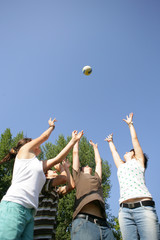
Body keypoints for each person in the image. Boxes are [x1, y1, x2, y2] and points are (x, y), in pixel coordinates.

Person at [0, 118, 83, 240]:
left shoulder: (38, 164)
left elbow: (58, 158)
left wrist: (73, 141)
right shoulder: (23, 153)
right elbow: (44, 137)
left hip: (30, 212)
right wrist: (51, 127)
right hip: (15, 205)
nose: (37, 143)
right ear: (28, 145)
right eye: (33, 142)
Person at [105, 113, 159, 240]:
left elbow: (135, 141)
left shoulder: (139, 162)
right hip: (124, 212)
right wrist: (110, 142)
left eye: (129, 151)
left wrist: (130, 125)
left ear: (134, 154)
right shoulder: (121, 166)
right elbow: (114, 153)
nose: (126, 152)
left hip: (144, 208)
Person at [71, 137, 115, 240]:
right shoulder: (78, 176)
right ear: (81, 170)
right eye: (85, 166)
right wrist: (76, 141)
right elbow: (75, 153)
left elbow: (98, 162)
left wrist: (95, 148)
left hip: (104, 226)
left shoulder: (97, 179)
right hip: (84, 223)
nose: (87, 165)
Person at [34, 159, 75, 240]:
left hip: (49, 232)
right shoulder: (43, 183)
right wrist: (61, 169)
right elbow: (63, 178)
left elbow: (71, 186)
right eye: (52, 171)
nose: (55, 172)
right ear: (45, 175)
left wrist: (66, 169)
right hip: (38, 230)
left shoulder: (55, 190)